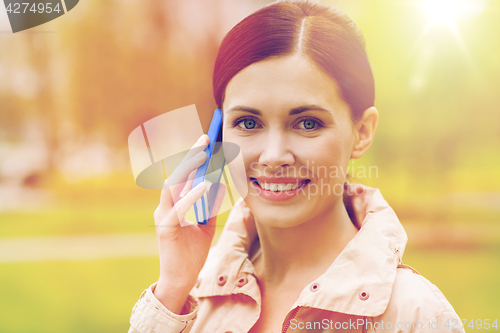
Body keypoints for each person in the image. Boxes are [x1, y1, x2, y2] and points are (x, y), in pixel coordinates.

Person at [128, 1, 465, 332]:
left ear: (361, 133)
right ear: (217, 135)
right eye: (247, 123)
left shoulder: (418, 316)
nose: (274, 157)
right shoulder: (192, 299)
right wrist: (172, 289)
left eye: (307, 123)